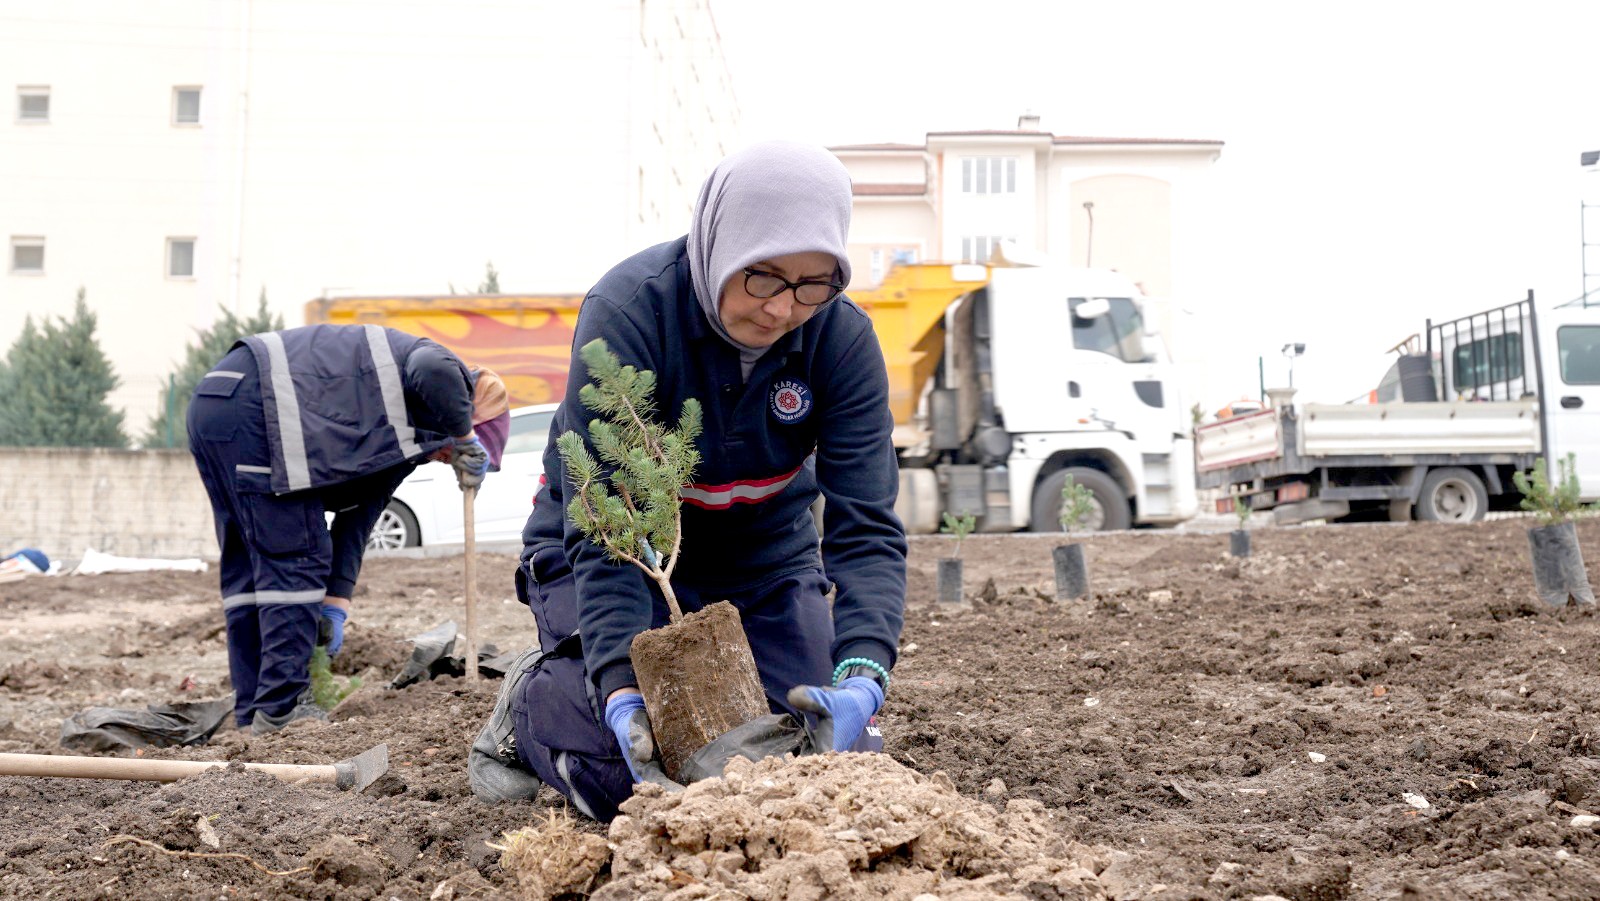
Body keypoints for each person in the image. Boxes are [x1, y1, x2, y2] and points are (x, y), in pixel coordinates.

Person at [469, 141, 908, 819]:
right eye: (761, 276)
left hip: (762, 562)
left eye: (813, 284)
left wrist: (863, 676)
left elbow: (867, 529)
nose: (781, 308)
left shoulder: (840, 342)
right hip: (617, 555)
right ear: (720, 243)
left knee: (829, 767)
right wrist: (618, 681)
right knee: (636, 773)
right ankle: (528, 703)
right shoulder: (630, 313)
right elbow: (602, 525)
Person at [188, 324, 509, 733]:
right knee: (297, 555)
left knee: (250, 567)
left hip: (218, 402)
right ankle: (283, 707)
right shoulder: (449, 372)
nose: (448, 459)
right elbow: (431, 368)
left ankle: (254, 711)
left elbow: (359, 519)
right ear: (461, 412)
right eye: (462, 450)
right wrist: (464, 434)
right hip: (260, 404)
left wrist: (336, 602)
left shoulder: (400, 447)